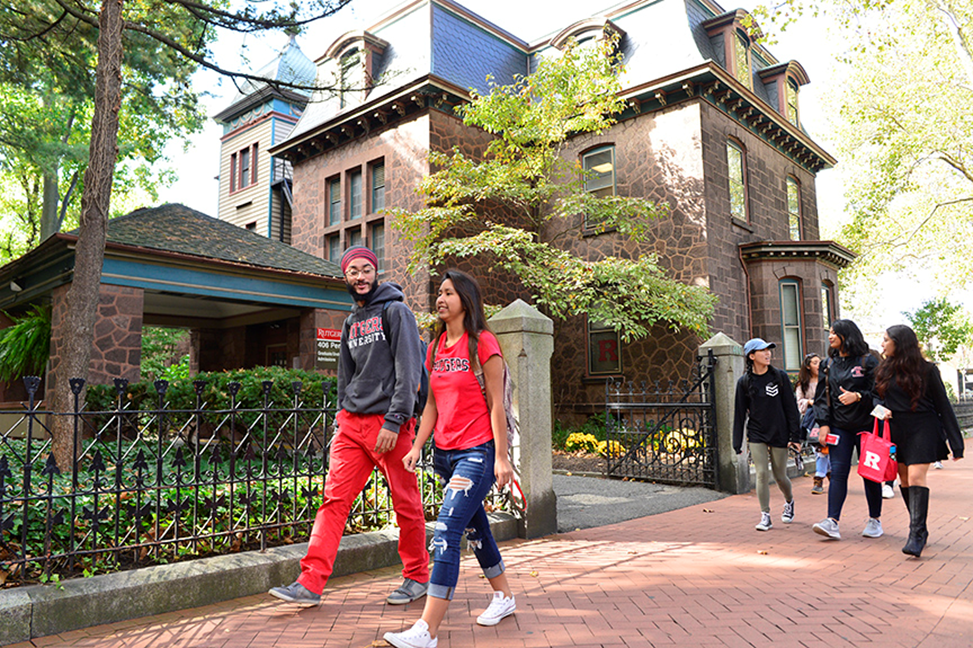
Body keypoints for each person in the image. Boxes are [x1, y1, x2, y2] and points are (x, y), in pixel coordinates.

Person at [269, 246, 430, 606]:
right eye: (353, 271)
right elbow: (346, 376)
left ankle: (417, 576)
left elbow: (408, 371)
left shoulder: (397, 311)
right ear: (346, 277)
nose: (360, 277)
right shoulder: (351, 322)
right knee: (333, 502)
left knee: (405, 503)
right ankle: (309, 583)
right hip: (352, 427)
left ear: (376, 272)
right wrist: (342, 416)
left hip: (390, 426)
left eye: (366, 270)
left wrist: (395, 419)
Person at [384, 270, 516, 648]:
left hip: (477, 452)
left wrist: (502, 458)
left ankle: (427, 630)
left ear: (466, 300)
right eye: (439, 293)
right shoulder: (436, 346)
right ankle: (505, 596)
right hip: (445, 455)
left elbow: (496, 406)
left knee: (445, 531)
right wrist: (416, 446)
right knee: (476, 530)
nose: (440, 299)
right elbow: (431, 404)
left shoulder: (483, 343)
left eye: (448, 293)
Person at [874, 324, 964, 557]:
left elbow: (944, 405)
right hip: (896, 429)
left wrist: (956, 443)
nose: (882, 344)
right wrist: (881, 409)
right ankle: (920, 529)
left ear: (899, 342)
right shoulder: (884, 369)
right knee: (903, 479)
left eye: (886, 340)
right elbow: (875, 398)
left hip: (923, 427)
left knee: (915, 476)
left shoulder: (927, 370)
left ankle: (915, 534)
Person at [811, 319, 883, 540]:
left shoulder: (868, 361)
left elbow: (881, 394)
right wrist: (823, 424)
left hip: (867, 428)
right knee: (839, 472)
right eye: (829, 332)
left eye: (834, 333)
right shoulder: (828, 364)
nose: (830, 336)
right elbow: (822, 397)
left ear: (847, 335)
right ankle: (832, 521)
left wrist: (858, 396)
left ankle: (875, 520)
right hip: (839, 427)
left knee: (870, 475)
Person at [733, 338, 802, 531]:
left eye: (768, 350)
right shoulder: (744, 382)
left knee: (780, 476)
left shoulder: (779, 377)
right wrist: (737, 442)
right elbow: (739, 414)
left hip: (779, 431)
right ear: (751, 356)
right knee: (762, 474)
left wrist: (795, 437)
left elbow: (791, 409)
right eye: (762, 351)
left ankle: (789, 501)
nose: (768, 353)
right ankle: (765, 515)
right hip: (757, 433)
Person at [796, 353, 827, 494]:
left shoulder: (827, 380)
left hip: (827, 418)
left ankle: (823, 475)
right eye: (815, 363)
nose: (818, 365)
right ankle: (820, 477)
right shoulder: (803, 384)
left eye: (819, 362)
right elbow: (799, 403)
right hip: (812, 420)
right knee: (819, 448)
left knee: (826, 448)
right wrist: (809, 402)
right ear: (808, 366)